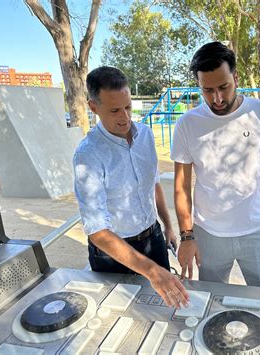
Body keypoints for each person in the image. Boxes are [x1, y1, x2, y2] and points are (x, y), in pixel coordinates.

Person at [171, 42, 260, 288]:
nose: (217, 98)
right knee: (212, 299)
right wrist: (187, 236)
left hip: (257, 230)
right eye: (207, 90)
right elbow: (181, 187)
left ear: (235, 77)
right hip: (209, 234)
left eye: (223, 87)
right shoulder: (187, 124)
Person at [73, 66, 189, 307]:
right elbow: (97, 232)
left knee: (165, 307)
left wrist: (167, 226)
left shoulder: (145, 135)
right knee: (118, 316)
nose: (124, 117)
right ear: (93, 107)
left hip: (153, 238)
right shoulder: (88, 155)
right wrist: (151, 271)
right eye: (114, 110)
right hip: (112, 254)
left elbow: (153, 184)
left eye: (127, 107)